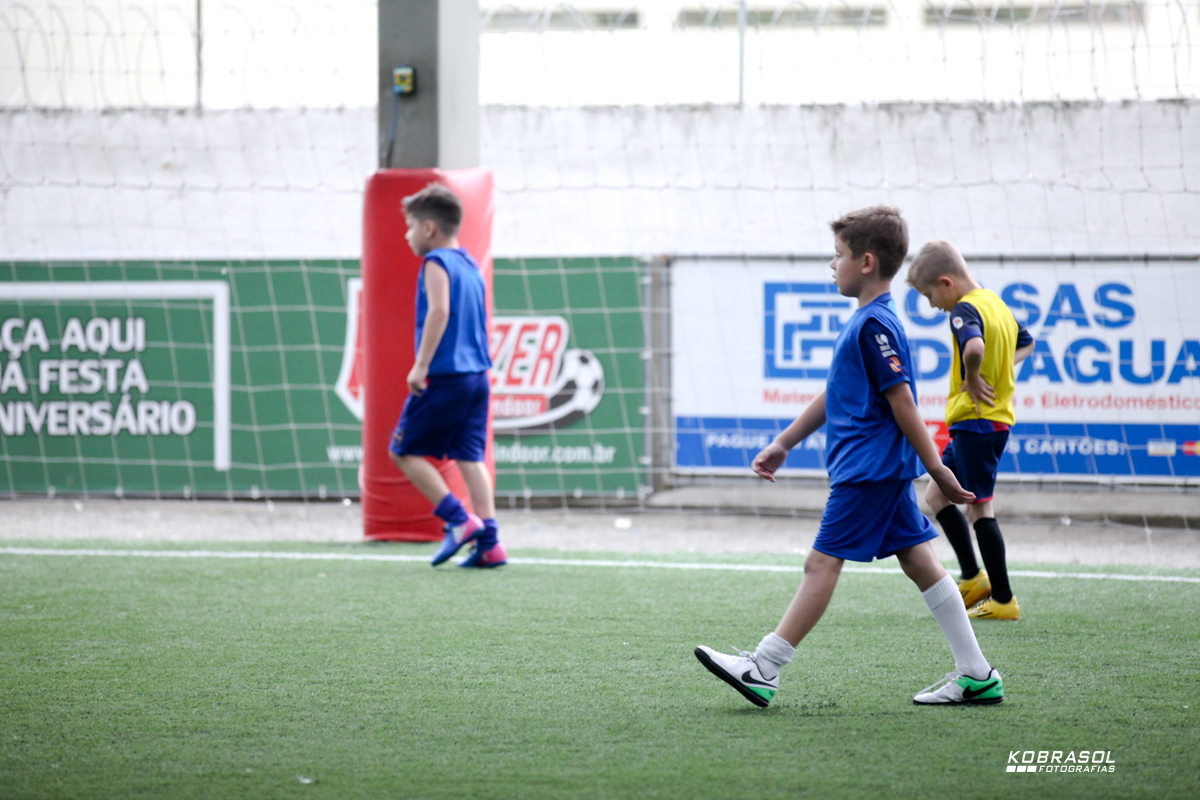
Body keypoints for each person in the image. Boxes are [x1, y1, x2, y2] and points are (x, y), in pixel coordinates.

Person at [694, 206, 1004, 707]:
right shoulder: (866, 323)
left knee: (821, 563)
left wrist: (937, 469)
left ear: (864, 261)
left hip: (869, 471)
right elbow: (834, 394)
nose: (831, 265)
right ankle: (977, 674)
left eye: (836, 256)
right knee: (920, 561)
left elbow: (902, 400)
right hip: (874, 469)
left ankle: (764, 668)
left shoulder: (875, 325)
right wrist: (784, 442)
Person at [906, 240, 1034, 619]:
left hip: (978, 420)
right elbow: (1026, 342)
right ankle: (973, 578)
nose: (932, 304)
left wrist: (975, 376)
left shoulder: (965, 309)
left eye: (930, 295)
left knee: (979, 508)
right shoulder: (995, 303)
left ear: (946, 283)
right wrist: (1002, 370)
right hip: (983, 422)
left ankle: (1004, 600)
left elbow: (974, 348)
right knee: (937, 495)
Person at [388, 183, 505, 568]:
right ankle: (490, 543)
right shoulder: (470, 263)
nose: (406, 235)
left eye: (409, 226)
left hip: (448, 376)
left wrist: (420, 365)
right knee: (470, 457)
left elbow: (439, 312)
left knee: (402, 451)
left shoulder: (436, 263)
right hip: (477, 377)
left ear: (428, 229)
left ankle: (458, 520)